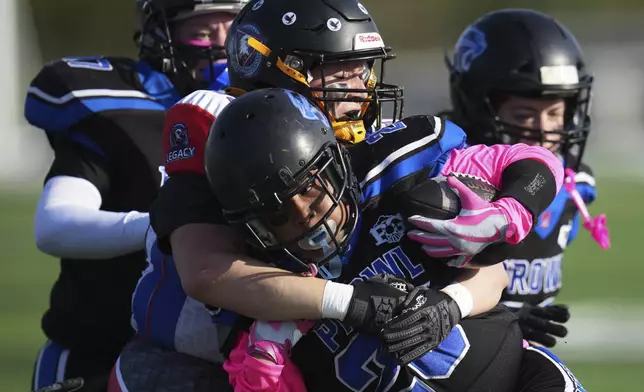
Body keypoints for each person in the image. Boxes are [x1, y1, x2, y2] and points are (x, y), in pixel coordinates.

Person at [169, 87, 543, 392]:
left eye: (310, 189)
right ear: (256, 229)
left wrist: (452, 303)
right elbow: (211, 278)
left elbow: (494, 269)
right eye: (278, 212)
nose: (303, 212)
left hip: (515, 376)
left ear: (335, 168)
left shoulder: (400, 189)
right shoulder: (269, 300)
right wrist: (344, 302)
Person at [26, 0, 249, 390]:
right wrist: (161, 228)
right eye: (200, 32)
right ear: (161, 35)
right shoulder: (123, 111)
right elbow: (54, 224)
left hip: (209, 359)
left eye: (229, 29)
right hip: (99, 348)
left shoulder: (264, 109)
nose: (219, 46)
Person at [443, 8, 608, 349]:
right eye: (524, 114)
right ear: (479, 108)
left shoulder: (577, 187)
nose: (544, 129)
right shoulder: (444, 179)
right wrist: (499, 318)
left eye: (554, 113)